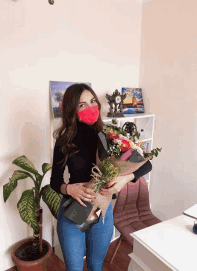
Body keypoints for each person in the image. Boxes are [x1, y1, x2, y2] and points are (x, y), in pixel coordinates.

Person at [50, 83, 152, 271]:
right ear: (73, 109)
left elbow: (146, 164)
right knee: (73, 268)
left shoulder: (110, 136)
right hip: (73, 212)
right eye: (82, 105)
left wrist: (125, 178)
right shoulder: (64, 141)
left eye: (92, 101)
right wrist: (69, 188)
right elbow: (54, 182)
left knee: (96, 265)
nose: (90, 107)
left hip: (102, 213)